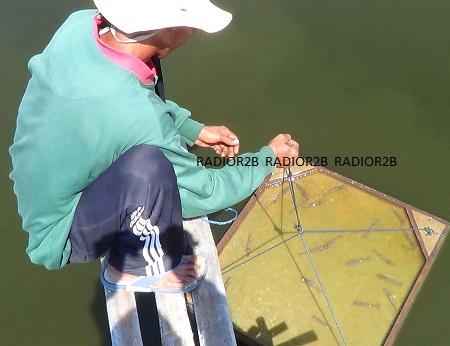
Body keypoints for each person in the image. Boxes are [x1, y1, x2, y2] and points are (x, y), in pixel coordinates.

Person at [8, 0, 300, 293]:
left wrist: (192, 130)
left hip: (40, 190)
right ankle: (134, 268)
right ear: (171, 32)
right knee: (151, 169)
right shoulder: (138, 116)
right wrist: (267, 157)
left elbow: (128, 102)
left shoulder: (80, 25)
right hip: (62, 234)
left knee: (145, 130)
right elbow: (206, 192)